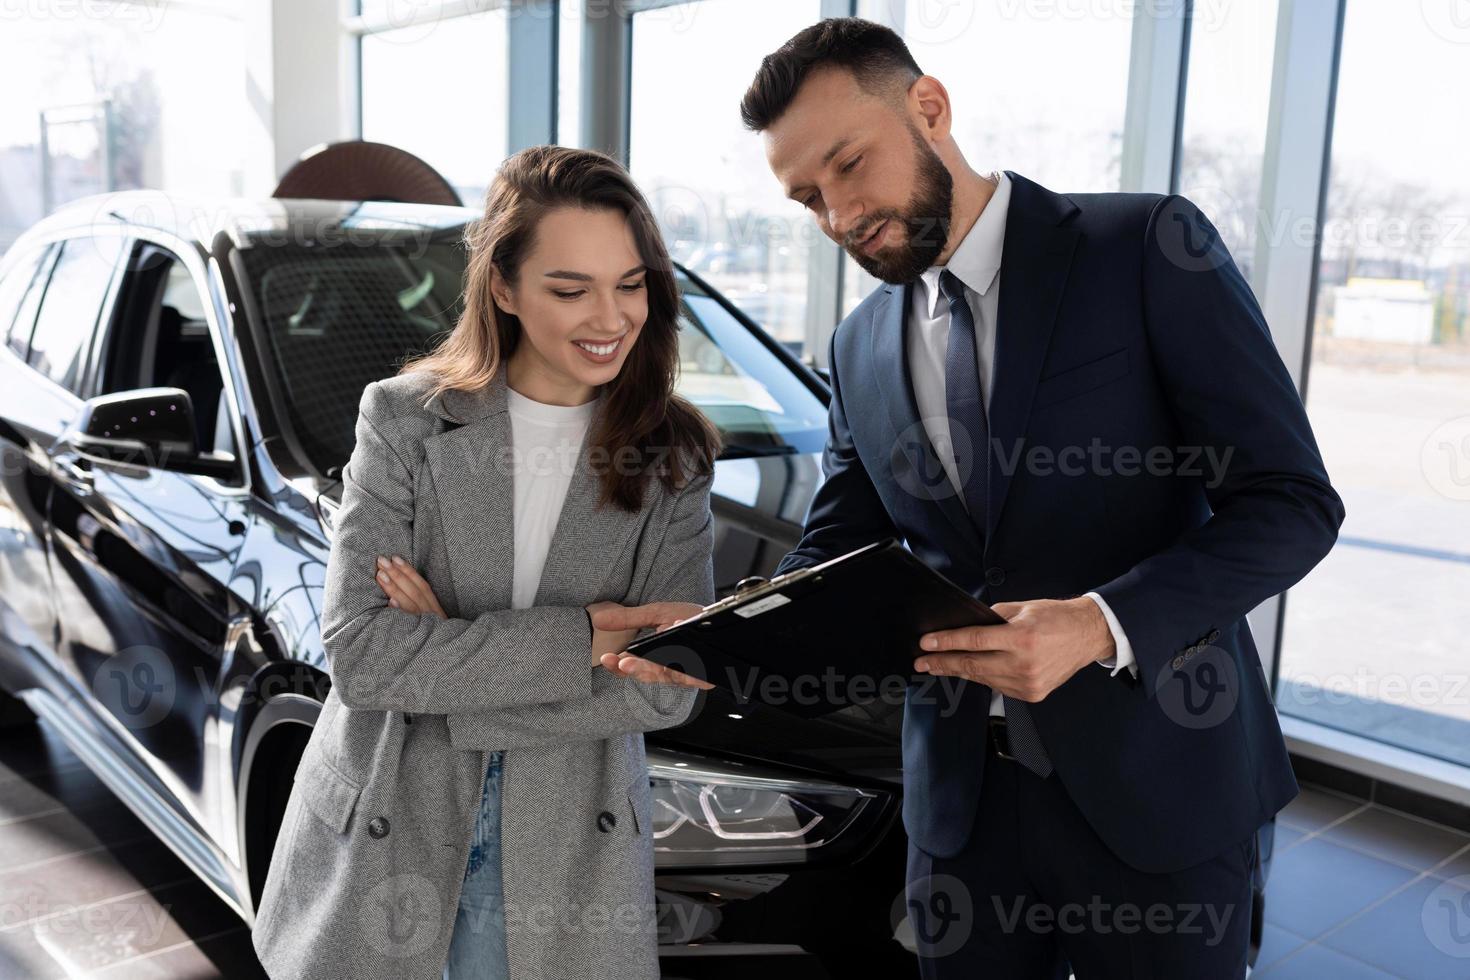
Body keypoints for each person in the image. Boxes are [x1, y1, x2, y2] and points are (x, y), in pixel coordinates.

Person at [626, 16, 1345, 978]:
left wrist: (1099, 624)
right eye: (807, 200)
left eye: (849, 165)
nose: (839, 217)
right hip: (959, 823)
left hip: (1161, 787)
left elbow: (1292, 500)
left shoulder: (1141, 248)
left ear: (929, 107)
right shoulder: (859, 345)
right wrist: (719, 637)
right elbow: (835, 561)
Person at [250, 145, 720, 980]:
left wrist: (445, 661)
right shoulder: (404, 419)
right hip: (390, 822)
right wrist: (579, 644)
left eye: (631, 284)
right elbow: (362, 655)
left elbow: (666, 691)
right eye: (570, 289)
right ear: (502, 287)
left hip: (570, 841)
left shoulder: (672, 455)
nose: (609, 319)